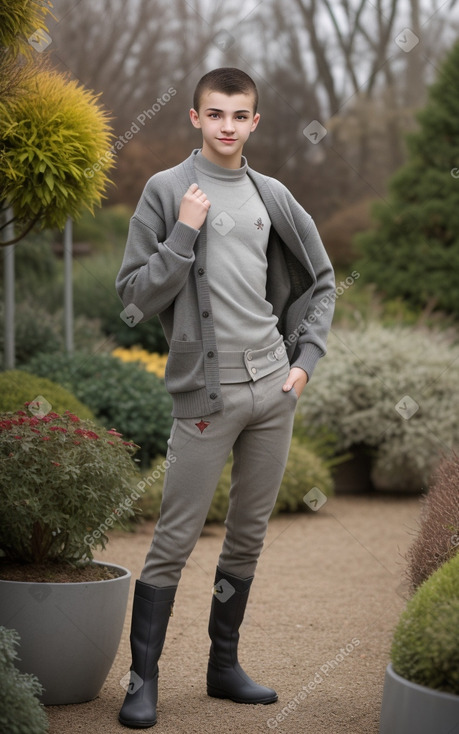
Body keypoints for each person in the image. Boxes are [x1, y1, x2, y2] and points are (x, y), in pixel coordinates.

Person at [115, 66, 335, 729]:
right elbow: (132, 297)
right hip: (204, 392)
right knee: (174, 539)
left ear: (254, 122)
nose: (227, 127)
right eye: (215, 115)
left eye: (239, 117)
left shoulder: (271, 194)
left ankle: (223, 666)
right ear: (194, 118)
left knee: (247, 537)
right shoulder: (165, 190)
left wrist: (303, 363)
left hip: (272, 384)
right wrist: (182, 235)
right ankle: (141, 681)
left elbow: (321, 280)